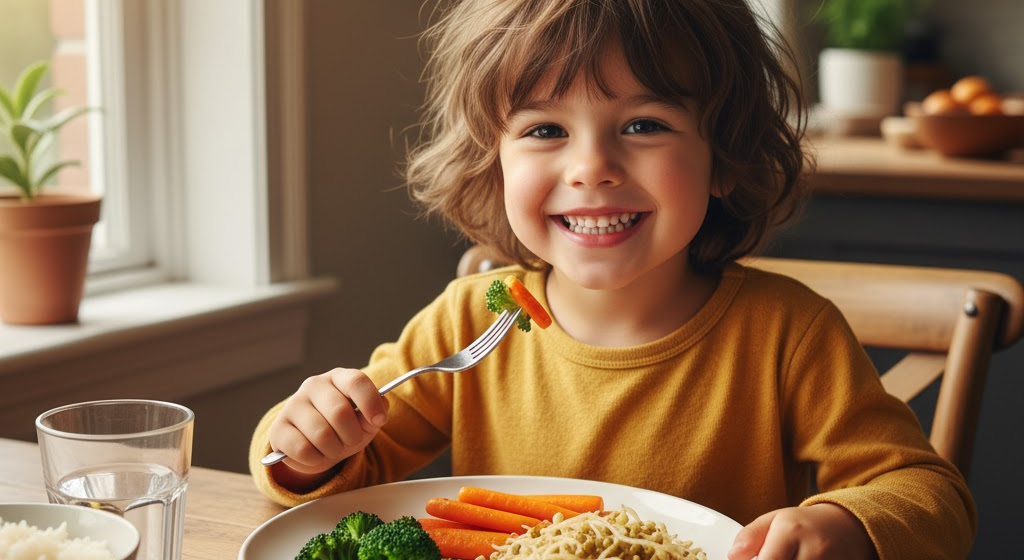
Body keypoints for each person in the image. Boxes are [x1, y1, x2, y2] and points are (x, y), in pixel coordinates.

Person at [249, 1, 976, 558]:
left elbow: (929, 495)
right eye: (544, 130)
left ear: (724, 158)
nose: (591, 167)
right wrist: (309, 446)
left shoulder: (787, 333)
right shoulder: (476, 319)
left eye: (644, 125)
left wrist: (842, 523)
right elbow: (336, 466)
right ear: (493, 162)